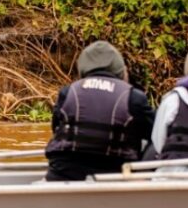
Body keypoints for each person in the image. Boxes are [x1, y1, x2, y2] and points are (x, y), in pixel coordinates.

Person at [44, 41, 155, 181]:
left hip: (63, 174)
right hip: (115, 175)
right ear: (121, 70)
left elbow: (56, 129)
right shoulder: (134, 97)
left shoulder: (68, 92)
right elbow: (157, 135)